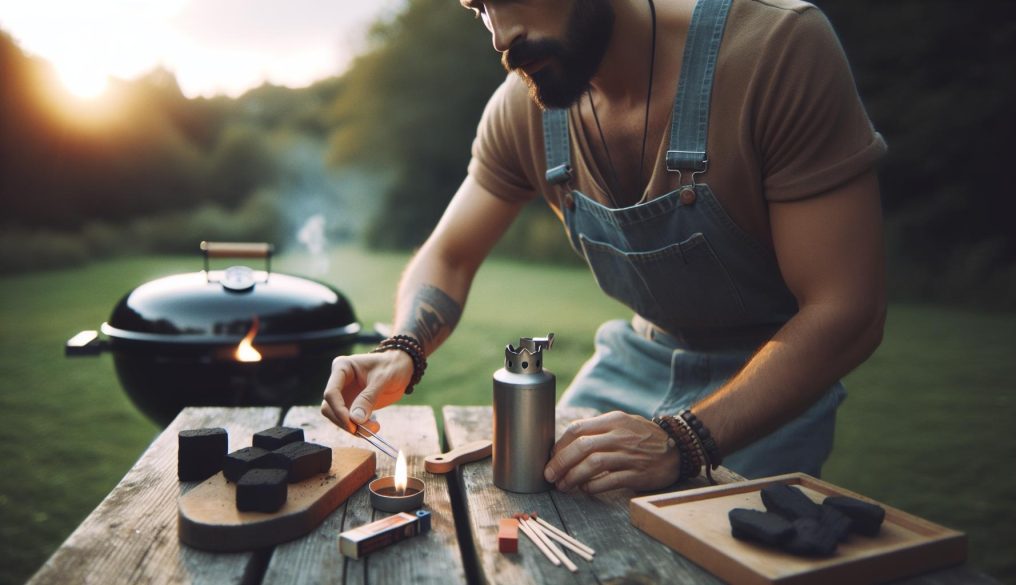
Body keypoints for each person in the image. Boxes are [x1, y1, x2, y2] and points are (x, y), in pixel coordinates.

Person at [321, 0, 886, 493]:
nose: (500, 36)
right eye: (480, 7)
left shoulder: (776, 49)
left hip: (769, 382)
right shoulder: (523, 110)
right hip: (632, 362)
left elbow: (845, 311)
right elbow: (450, 254)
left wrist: (683, 440)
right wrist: (404, 348)